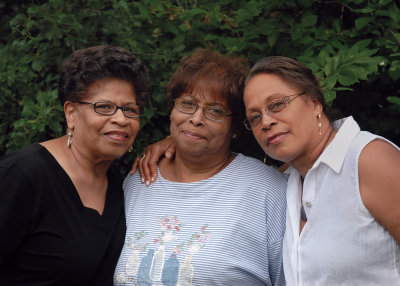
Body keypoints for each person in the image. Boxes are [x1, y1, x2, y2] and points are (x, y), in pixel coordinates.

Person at [135, 56, 400, 285]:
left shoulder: (368, 159)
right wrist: (180, 141)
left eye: (277, 105)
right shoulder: (289, 179)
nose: (267, 121)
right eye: (255, 117)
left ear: (315, 102)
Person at [114, 49, 287, 286]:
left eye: (215, 111)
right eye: (188, 103)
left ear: (235, 126)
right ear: (172, 110)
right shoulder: (139, 180)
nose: (196, 118)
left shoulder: (267, 189)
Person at [0, 45, 149, 285]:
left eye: (130, 110)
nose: (121, 119)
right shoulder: (23, 175)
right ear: (71, 113)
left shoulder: (120, 185)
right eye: (104, 107)